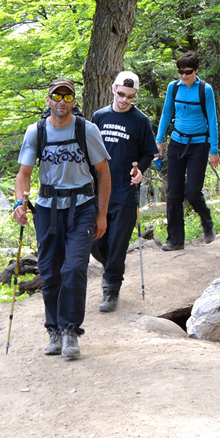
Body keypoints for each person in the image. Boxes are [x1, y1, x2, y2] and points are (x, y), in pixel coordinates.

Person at [12, 78, 112, 360]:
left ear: (74, 102)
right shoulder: (37, 132)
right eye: (57, 96)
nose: (62, 102)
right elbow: (24, 174)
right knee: (51, 271)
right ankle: (53, 330)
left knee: (75, 268)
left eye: (68, 97)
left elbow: (104, 173)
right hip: (46, 208)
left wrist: (101, 214)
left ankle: (70, 330)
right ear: (48, 100)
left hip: (82, 207)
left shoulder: (86, 130)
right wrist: (20, 202)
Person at [89, 71, 154, 312]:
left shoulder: (140, 121)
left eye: (130, 96)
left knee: (117, 242)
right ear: (113, 89)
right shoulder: (99, 116)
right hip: (98, 192)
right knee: (94, 242)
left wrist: (141, 171)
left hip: (125, 192)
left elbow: (148, 152)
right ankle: (114, 268)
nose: (124, 100)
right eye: (121, 94)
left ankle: (111, 288)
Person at [154, 51, 220, 250]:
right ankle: (175, 240)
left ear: (196, 70)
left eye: (188, 72)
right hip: (176, 143)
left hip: (199, 145)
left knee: (192, 191)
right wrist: (158, 140)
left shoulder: (205, 90)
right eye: (181, 72)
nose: (184, 76)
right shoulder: (173, 88)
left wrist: (214, 150)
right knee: (173, 193)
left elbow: (213, 121)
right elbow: (167, 113)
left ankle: (207, 222)